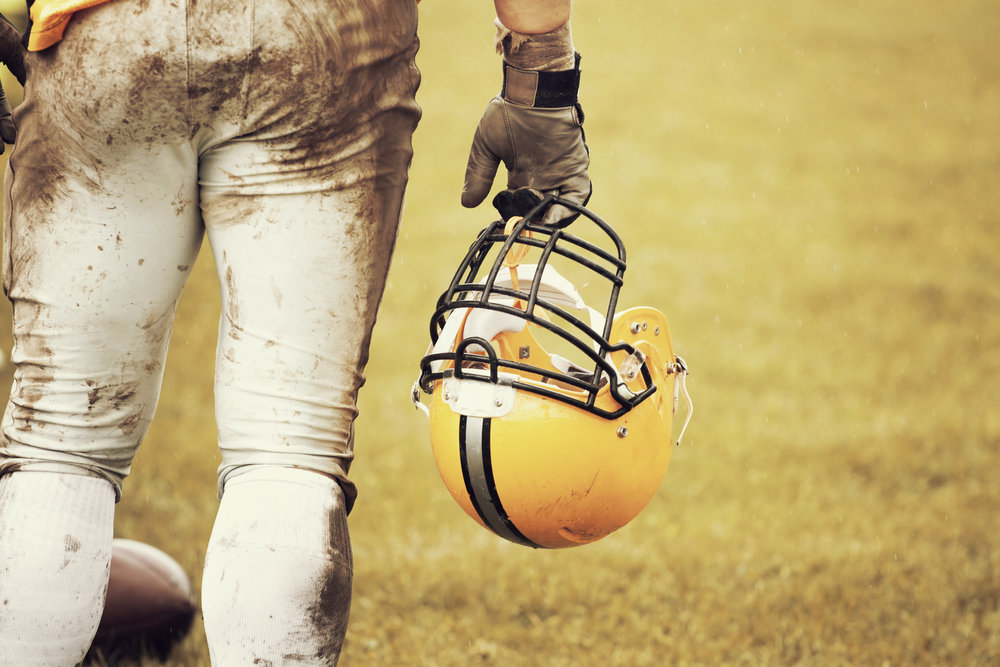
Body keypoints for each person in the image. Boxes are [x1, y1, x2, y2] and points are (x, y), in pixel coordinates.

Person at [0, 0, 590, 664]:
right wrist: (540, 72)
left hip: (103, 30)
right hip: (323, 34)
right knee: (288, 441)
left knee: (61, 436)